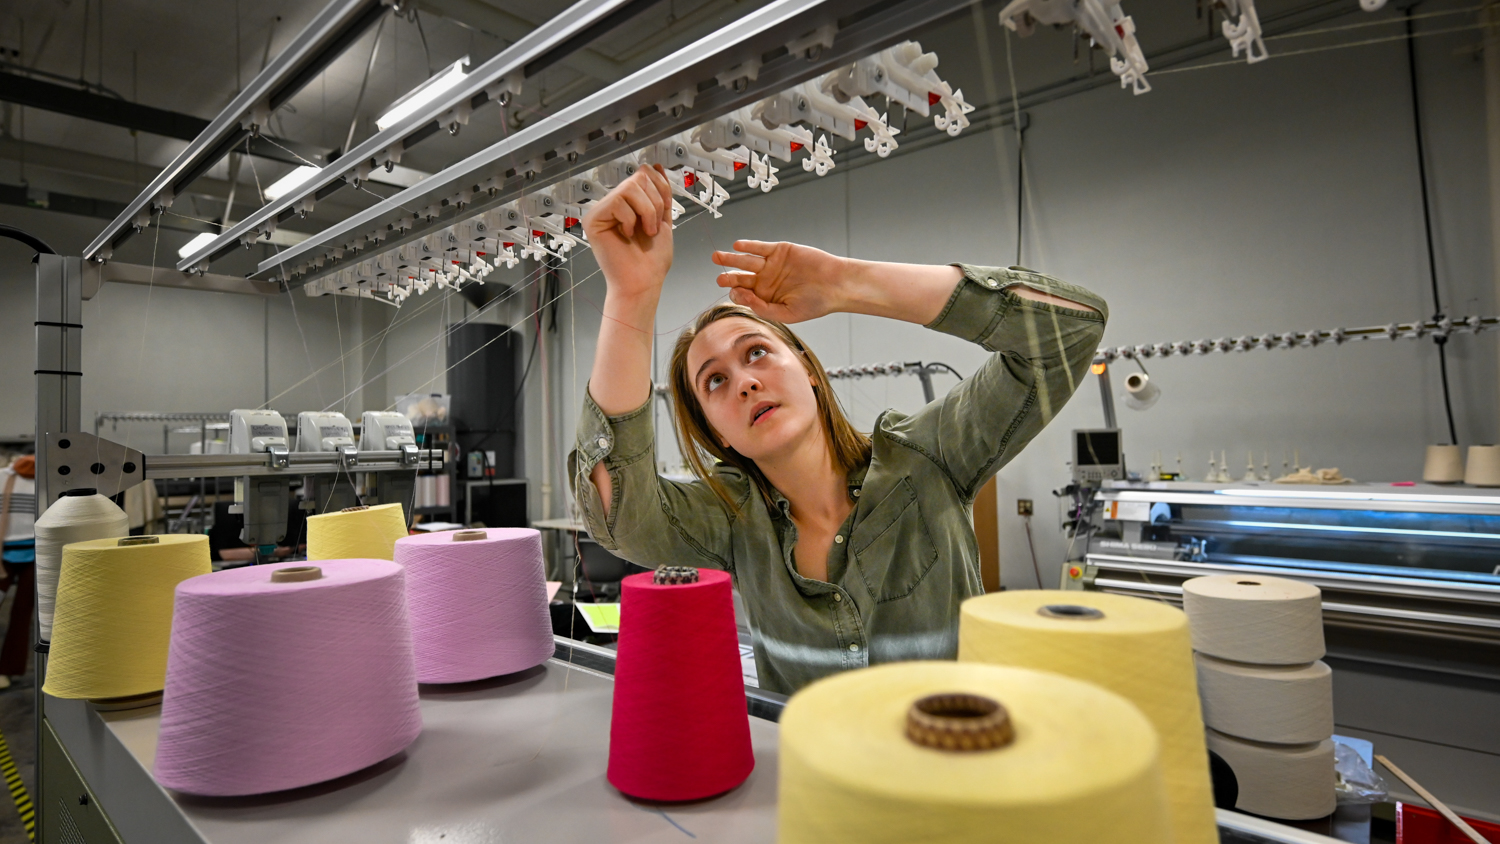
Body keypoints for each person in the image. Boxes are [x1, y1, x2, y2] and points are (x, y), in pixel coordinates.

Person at [570, 165, 1106, 694]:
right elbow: (623, 516)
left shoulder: (926, 459)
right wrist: (632, 293)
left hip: (955, 773)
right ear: (718, 433)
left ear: (807, 369)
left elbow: (1068, 333)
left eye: (756, 353)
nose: (745, 383)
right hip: (811, 778)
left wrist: (846, 284)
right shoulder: (733, 521)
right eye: (714, 382)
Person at [0, 455, 37, 689]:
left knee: (22, 613)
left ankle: (7, 669)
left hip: (34, 554)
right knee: (20, 613)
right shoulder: (4, 477)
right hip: (2, 553)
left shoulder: (45, 479)